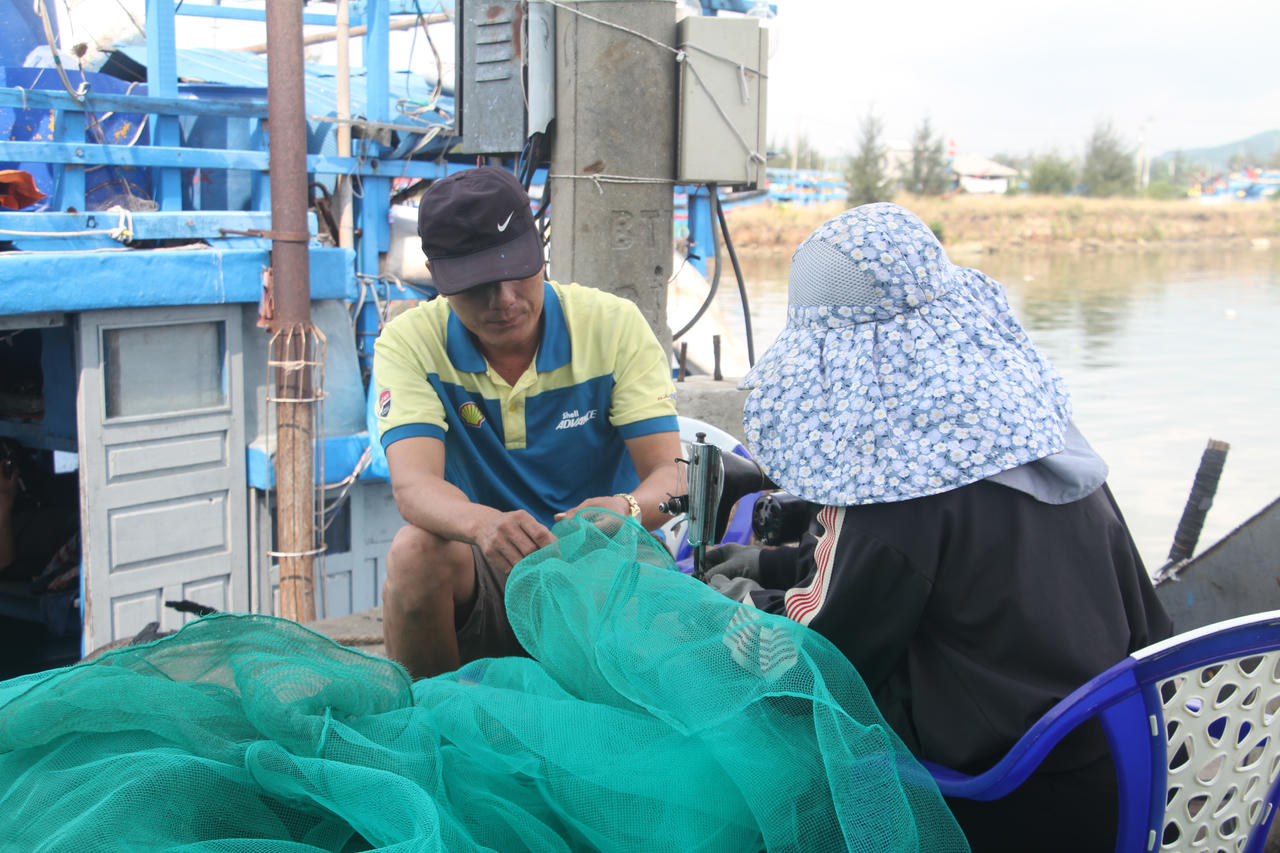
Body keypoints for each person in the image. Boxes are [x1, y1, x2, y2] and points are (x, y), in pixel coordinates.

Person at [703, 202, 1172, 852]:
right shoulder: (1052, 445)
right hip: (1128, 775)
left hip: (1008, 803)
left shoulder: (896, 493)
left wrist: (730, 602)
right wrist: (772, 564)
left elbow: (820, 659)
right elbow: (964, 575)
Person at [373, 166, 682, 679]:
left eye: (517, 271)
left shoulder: (613, 325)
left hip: (599, 568)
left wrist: (625, 510)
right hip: (490, 570)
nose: (505, 301)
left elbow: (671, 474)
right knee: (413, 552)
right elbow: (413, 486)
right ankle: (434, 713)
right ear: (436, 274)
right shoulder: (409, 343)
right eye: (477, 285)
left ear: (538, 248)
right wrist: (483, 524)